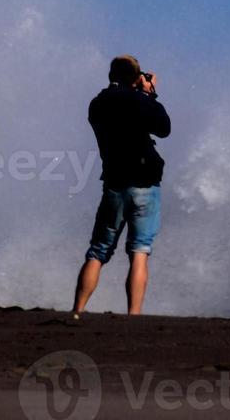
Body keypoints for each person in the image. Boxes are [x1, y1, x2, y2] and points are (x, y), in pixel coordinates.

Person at [72, 55, 171, 318]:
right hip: (144, 183)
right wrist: (150, 94)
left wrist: (138, 91)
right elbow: (164, 128)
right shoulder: (141, 100)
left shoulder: (97, 104)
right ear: (137, 77)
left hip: (114, 182)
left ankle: (78, 311)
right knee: (139, 250)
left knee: (98, 250)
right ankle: (133, 315)